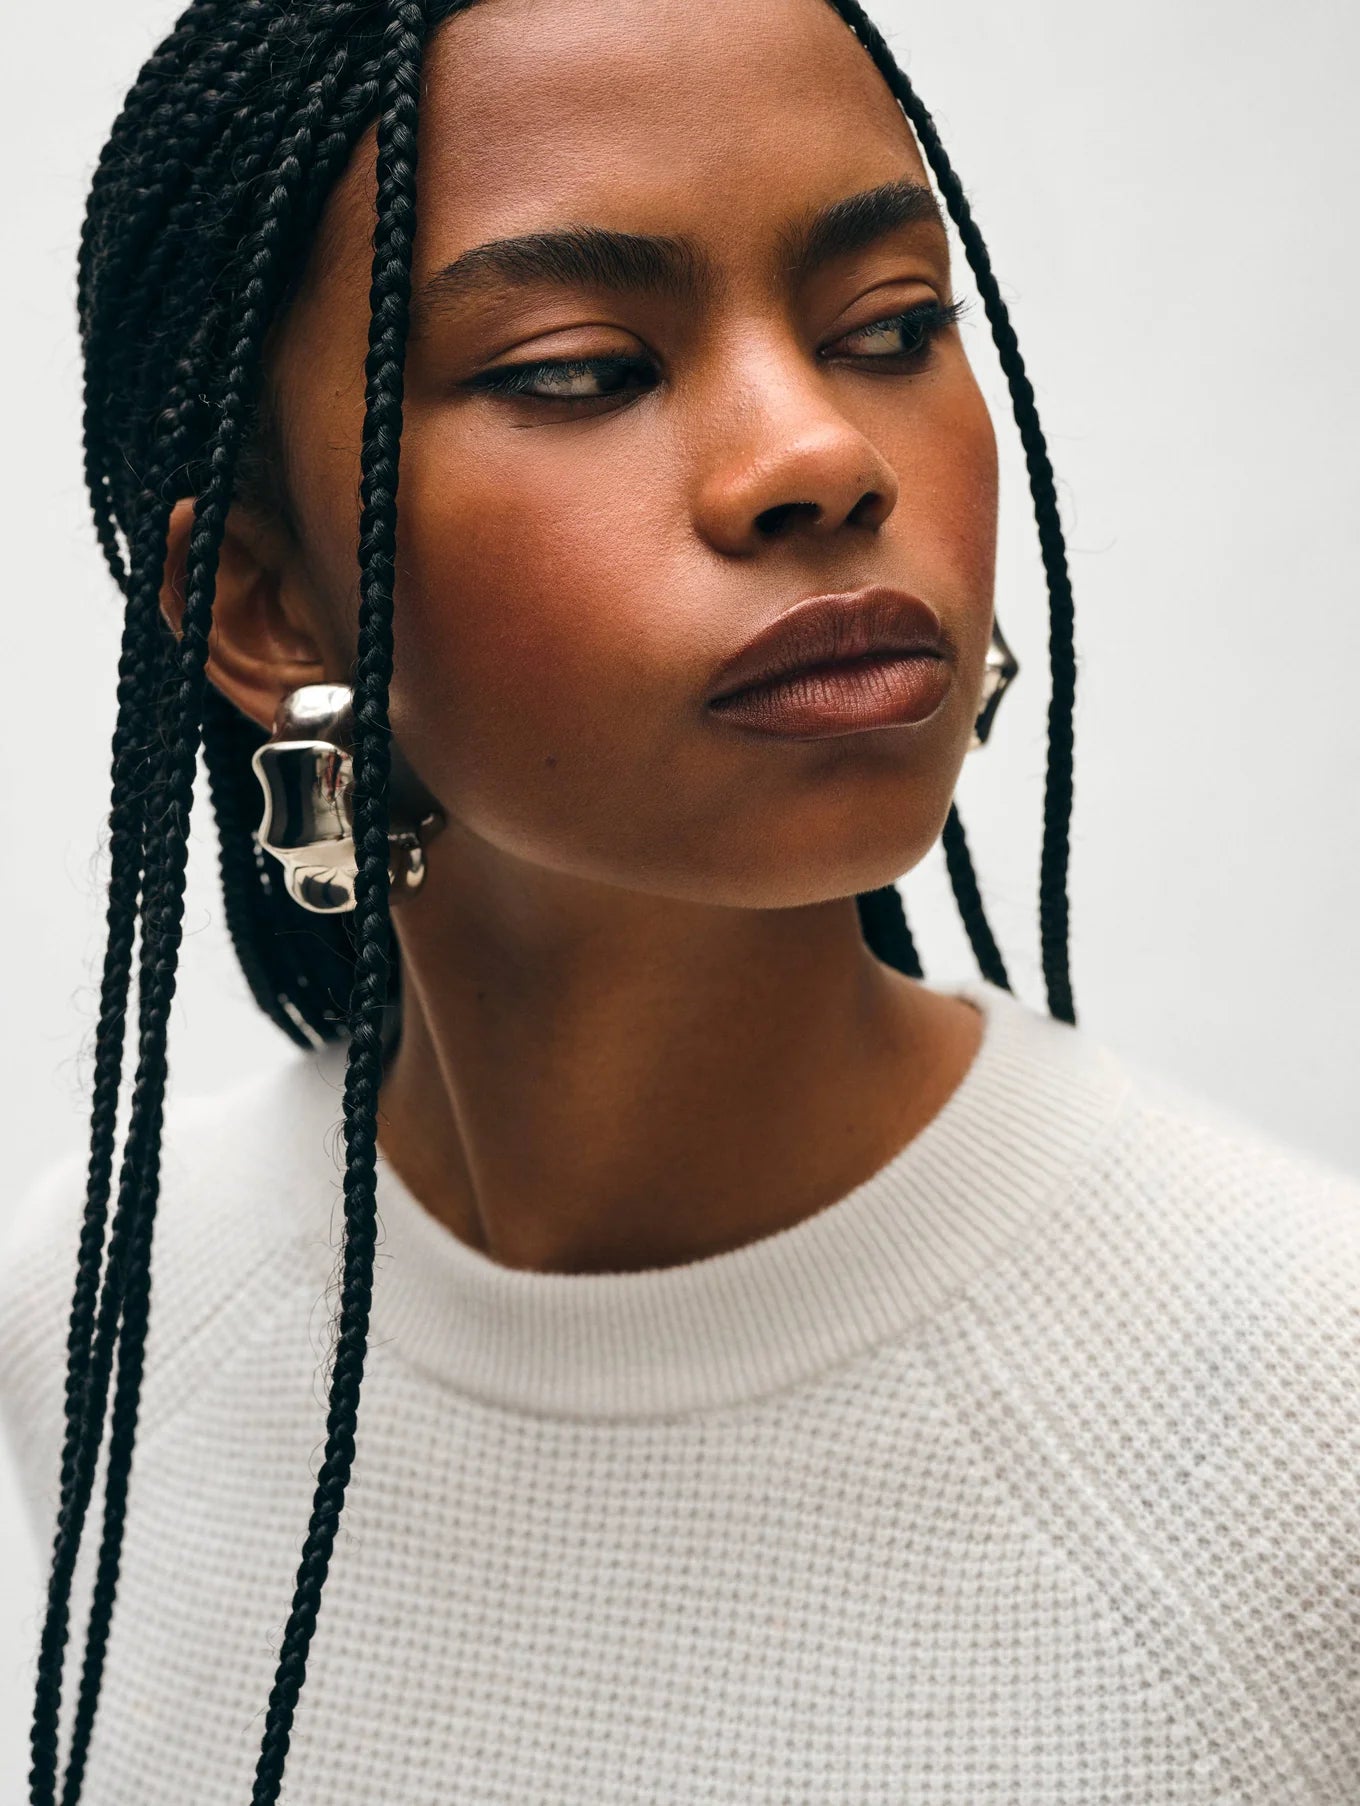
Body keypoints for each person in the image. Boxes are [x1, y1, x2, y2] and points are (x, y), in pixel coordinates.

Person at [2, 0, 1356, 1799]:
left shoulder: (1308, 1426)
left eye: (890, 327)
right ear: (261, 605)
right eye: (581, 367)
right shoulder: (114, 1309)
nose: (820, 454)